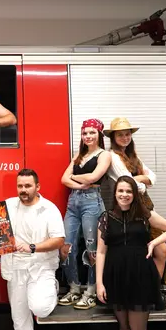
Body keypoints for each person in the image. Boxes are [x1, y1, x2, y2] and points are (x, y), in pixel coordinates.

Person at [96, 175, 166, 330]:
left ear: (134, 194)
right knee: (123, 327)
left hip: (140, 275)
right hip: (115, 276)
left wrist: (153, 243)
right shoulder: (105, 218)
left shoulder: (144, 214)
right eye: (120, 191)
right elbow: (101, 252)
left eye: (128, 191)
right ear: (115, 193)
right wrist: (99, 283)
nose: (124, 195)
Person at [104, 117, 166, 308]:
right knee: (157, 252)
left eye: (127, 134)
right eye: (120, 135)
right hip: (132, 210)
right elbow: (132, 185)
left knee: (161, 252)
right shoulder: (112, 157)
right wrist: (142, 180)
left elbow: (153, 177)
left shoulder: (132, 156)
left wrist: (141, 179)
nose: (125, 137)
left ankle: (152, 294)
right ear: (113, 138)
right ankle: (151, 295)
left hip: (144, 206)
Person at [0, 169, 65, 330]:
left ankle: (52, 288)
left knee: (40, 308)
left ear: (37, 187)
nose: (23, 190)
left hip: (41, 266)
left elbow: (58, 239)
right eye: (20, 186)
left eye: (28, 186)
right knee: (19, 319)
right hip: (15, 268)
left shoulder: (49, 209)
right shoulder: (8, 206)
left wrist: (33, 247)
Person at [58, 118, 112, 310]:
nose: (88, 136)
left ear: (99, 134)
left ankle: (90, 291)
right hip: (73, 201)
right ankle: (73, 289)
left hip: (92, 201)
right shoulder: (79, 155)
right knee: (66, 246)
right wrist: (80, 183)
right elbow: (63, 179)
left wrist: (74, 177)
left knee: (92, 248)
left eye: (92, 132)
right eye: (84, 133)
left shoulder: (104, 155)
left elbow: (94, 177)